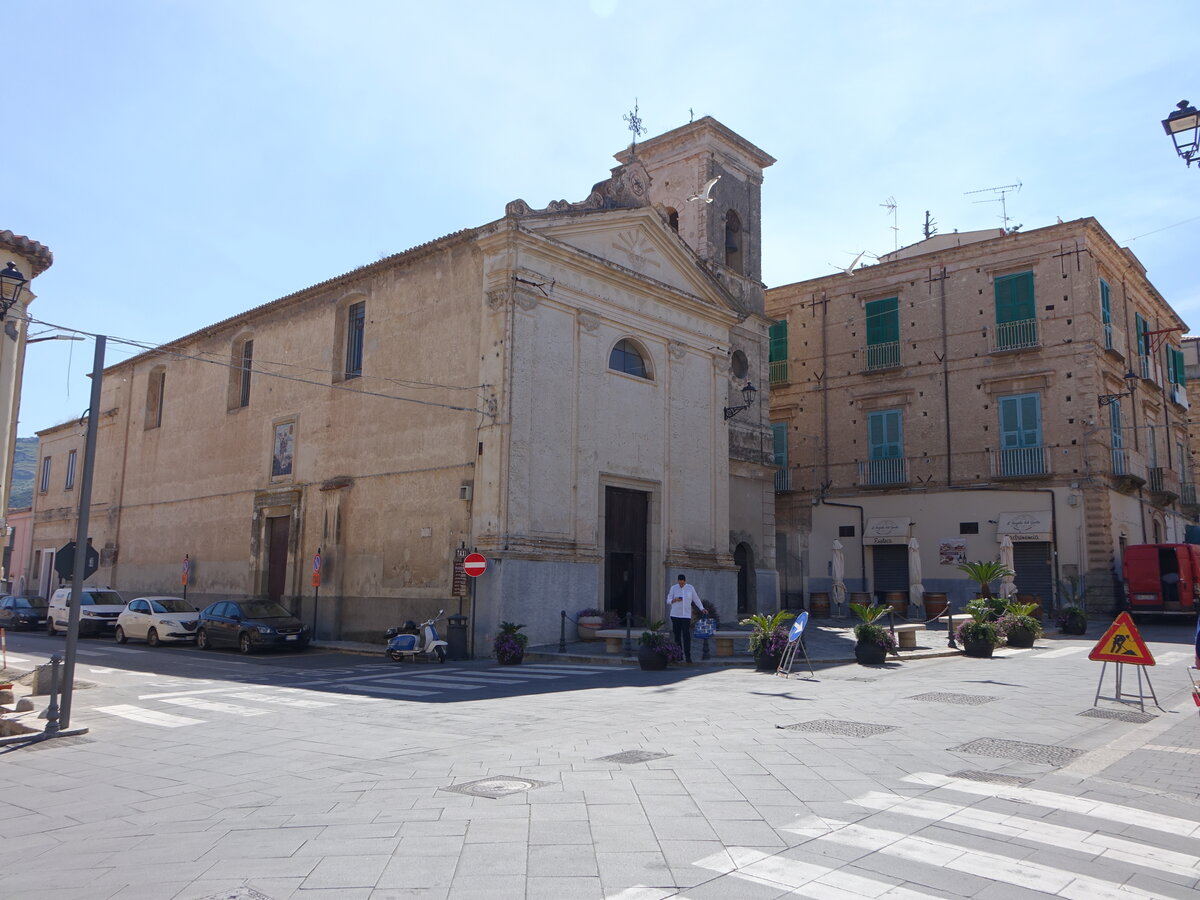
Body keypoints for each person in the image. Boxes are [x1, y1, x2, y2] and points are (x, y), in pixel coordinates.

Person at [666, 573, 705, 663]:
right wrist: (674, 600)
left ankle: (688, 656)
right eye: (680, 583)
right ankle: (679, 655)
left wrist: (702, 608)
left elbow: (696, 599)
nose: (681, 585)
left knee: (686, 635)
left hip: (686, 615)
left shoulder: (690, 588)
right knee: (677, 635)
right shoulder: (673, 588)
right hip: (675, 615)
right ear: (678, 581)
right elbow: (668, 600)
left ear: (685, 581)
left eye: (682, 583)